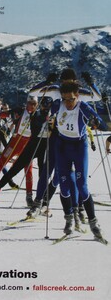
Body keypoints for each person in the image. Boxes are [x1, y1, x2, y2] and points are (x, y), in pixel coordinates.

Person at [50, 81, 107, 238]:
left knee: (82, 186)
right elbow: (46, 111)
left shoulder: (82, 106)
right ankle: (69, 220)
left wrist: (96, 122)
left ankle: (94, 223)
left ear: (77, 97)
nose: (68, 103)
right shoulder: (59, 105)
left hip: (78, 147)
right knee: (64, 186)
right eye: (65, 99)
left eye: (71, 99)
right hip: (62, 146)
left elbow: (100, 122)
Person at [0, 98, 52, 200]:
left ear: (37, 105)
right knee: (2, 162)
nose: (31, 106)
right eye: (29, 103)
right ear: (26, 104)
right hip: (16, 141)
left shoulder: (39, 114)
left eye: (34, 104)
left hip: (29, 144)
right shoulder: (20, 110)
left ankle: (29, 196)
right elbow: (3, 115)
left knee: (28, 171)